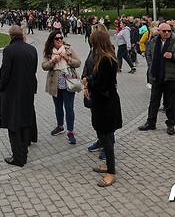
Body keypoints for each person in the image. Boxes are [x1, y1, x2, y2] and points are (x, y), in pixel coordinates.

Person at [83, 31, 122, 187]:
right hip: (102, 102)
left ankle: (111, 172)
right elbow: (98, 78)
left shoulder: (106, 59)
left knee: (106, 138)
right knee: (103, 134)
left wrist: (88, 83)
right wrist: (89, 79)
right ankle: (108, 165)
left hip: (106, 104)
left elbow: (102, 84)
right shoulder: (104, 57)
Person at [138, 23, 175, 135]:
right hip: (156, 76)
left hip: (171, 77)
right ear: (159, 31)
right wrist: (151, 65)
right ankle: (150, 122)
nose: (167, 33)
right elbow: (148, 54)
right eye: (164, 31)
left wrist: (173, 56)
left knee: (170, 103)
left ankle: (170, 124)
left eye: (169, 31)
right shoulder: (153, 41)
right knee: (154, 101)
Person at [0, 24, 38, 167]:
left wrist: (1, 87)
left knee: (13, 124)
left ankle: (18, 157)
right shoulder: (32, 49)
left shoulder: (9, 50)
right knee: (26, 120)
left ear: (10, 36)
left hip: (13, 93)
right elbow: (33, 70)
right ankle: (24, 152)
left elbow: (5, 72)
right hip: (28, 91)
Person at [41, 30, 81, 144]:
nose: (59, 40)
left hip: (68, 82)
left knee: (69, 107)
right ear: (52, 40)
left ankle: (70, 132)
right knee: (58, 106)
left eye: (61, 38)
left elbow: (78, 62)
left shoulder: (68, 49)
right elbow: (44, 66)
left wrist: (68, 59)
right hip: (55, 83)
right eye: (57, 38)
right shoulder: (49, 52)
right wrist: (53, 61)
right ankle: (60, 126)